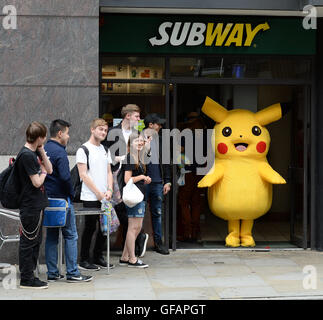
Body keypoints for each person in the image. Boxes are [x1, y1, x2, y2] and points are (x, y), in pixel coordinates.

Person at [44, 119, 93, 283]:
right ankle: (72, 272)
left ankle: (52, 273)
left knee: (51, 236)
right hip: (61, 201)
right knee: (70, 235)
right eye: (67, 133)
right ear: (60, 133)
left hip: (47, 200)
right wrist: (71, 194)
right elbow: (65, 178)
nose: (68, 136)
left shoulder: (44, 149)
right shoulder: (60, 152)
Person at [104, 104, 149, 258]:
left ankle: (129, 250)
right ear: (127, 116)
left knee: (130, 214)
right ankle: (134, 243)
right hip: (115, 177)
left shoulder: (138, 133)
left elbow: (143, 155)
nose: (139, 119)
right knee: (119, 212)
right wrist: (115, 158)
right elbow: (103, 152)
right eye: (137, 116)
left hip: (130, 180)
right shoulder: (111, 131)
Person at [17, 121, 53, 289]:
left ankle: (30, 275)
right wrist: (43, 171)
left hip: (35, 204)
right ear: (38, 137)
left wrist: (42, 151)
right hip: (30, 205)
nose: (45, 139)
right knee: (28, 241)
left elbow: (51, 169)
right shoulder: (26, 156)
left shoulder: (34, 153)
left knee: (35, 241)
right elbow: (38, 182)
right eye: (43, 137)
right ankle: (26, 278)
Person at [76, 118, 114, 270]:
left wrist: (110, 190)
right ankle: (84, 260)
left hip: (105, 196)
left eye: (105, 130)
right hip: (90, 196)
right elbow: (83, 175)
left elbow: (109, 172)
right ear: (92, 129)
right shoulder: (83, 149)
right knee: (90, 227)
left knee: (104, 229)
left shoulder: (105, 150)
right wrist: (98, 193)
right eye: (100, 129)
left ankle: (98, 257)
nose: (103, 132)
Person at [119, 132, 151, 268]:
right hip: (134, 196)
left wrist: (145, 179)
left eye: (141, 141)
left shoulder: (138, 157)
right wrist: (143, 177)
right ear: (130, 144)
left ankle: (125, 256)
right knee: (134, 228)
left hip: (139, 195)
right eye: (136, 141)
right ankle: (132, 259)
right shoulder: (130, 158)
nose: (139, 143)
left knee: (135, 228)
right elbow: (127, 179)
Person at [143, 113, 172, 255]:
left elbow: (166, 162)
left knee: (157, 214)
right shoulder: (138, 139)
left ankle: (158, 244)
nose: (160, 126)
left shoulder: (161, 141)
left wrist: (167, 181)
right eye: (158, 124)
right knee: (138, 215)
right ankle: (137, 244)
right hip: (141, 183)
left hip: (157, 182)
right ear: (150, 125)